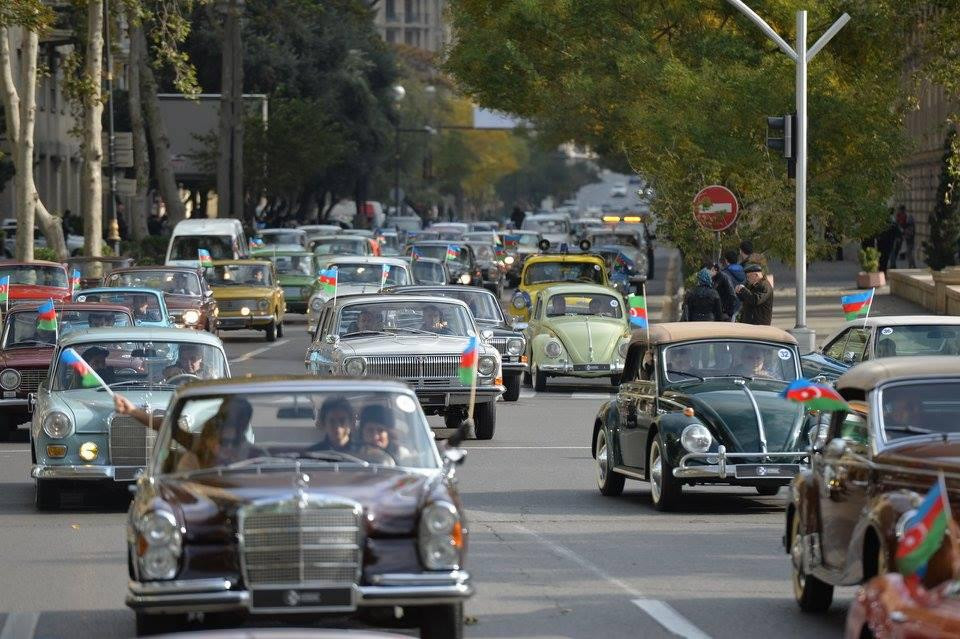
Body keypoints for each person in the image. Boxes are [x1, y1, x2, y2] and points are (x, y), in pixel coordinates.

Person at [113, 394, 260, 471]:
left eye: (232, 419)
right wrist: (132, 411)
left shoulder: (253, 455)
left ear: (242, 423)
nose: (223, 424)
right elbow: (171, 429)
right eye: (223, 417)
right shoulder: (204, 447)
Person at [720, 251, 745, 321]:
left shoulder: (724, 273)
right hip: (741, 305)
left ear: (726, 260)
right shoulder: (743, 271)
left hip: (728, 307)